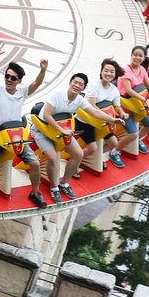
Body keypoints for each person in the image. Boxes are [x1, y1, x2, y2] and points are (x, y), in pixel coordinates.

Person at [30, 73, 124, 203]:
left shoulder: (79, 100)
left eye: (80, 84)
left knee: (78, 154)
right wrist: (62, 130)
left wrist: (113, 119)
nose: (77, 86)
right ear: (70, 83)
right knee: (52, 157)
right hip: (43, 130)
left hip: (61, 130)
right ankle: (54, 187)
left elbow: (95, 112)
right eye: (75, 82)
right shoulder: (57, 94)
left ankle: (64, 183)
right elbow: (46, 115)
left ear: (84, 88)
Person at [0, 42, 48, 214]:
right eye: (7, 76)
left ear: (19, 81)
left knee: (34, 163)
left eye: (13, 78)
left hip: (15, 137)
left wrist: (42, 69)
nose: (9, 80)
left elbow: (37, 83)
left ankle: (35, 192)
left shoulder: (21, 93)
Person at [77, 59, 137, 170]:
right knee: (92, 147)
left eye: (111, 72)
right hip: (86, 121)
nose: (108, 74)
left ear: (115, 74)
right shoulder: (94, 86)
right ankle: (76, 162)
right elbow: (92, 107)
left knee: (114, 143)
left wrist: (122, 113)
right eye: (106, 71)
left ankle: (96, 157)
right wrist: (109, 118)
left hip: (102, 121)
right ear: (101, 71)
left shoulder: (114, 90)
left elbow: (117, 106)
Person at [121, 46, 149, 151]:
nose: (137, 57)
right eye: (135, 55)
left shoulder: (142, 69)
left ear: (144, 57)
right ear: (131, 55)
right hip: (126, 104)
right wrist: (145, 100)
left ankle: (137, 140)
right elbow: (128, 90)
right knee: (133, 132)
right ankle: (116, 151)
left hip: (137, 103)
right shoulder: (126, 70)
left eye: (140, 56)